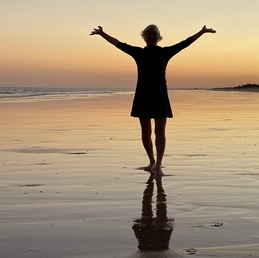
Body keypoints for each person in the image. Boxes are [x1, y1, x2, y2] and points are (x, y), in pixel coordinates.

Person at [90, 23, 216, 176]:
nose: (151, 37)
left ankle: (159, 165)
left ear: (158, 38)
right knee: (146, 131)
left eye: (153, 35)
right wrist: (103, 34)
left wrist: (201, 32)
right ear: (144, 37)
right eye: (148, 34)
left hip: (160, 96)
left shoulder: (165, 53)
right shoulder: (138, 53)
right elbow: (118, 44)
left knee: (160, 130)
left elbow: (185, 43)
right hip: (143, 95)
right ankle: (152, 161)